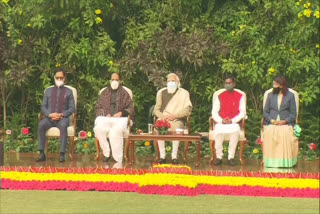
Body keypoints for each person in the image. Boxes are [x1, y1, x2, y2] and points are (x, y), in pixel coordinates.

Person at [94, 73, 134, 163]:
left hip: (120, 119)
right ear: (110, 81)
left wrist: (121, 113)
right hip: (107, 118)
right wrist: (105, 114)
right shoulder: (104, 92)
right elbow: (98, 107)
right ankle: (106, 152)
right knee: (98, 128)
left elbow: (131, 108)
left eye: (116, 80)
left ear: (120, 81)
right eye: (112, 79)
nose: (114, 81)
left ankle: (117, 158)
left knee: (114, 132)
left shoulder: (125, 93)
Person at [37, 69, 75, 162]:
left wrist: (61, 114)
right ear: (54, 78)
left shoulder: (69, 92)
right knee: (41, 125)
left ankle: (62, 154)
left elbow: (72, 108)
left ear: (64, 78)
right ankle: (42, 153)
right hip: (49, 118)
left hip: (62, 118)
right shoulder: (48, 91)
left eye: (60, 78)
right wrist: (50, 114)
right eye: (57, 77)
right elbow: (43, 107)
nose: (58, 79)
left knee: (63, 126)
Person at [153, 73, 192, 164]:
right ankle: (162, 156)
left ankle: (174, 156)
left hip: (177, 119)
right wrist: (163, 117)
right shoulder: (161, 92)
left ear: (178, 82)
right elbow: (156, 110)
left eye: (173, 81)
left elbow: (187, 109)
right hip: (164, 119)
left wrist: (175, 116)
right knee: (158, 127)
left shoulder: (184, 93)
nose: (171, 83)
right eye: (169, 81)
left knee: (177, 128)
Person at [262, 75, 298, 168]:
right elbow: (265, 112)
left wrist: (284, 121)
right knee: (270, 131)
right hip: (272, 122)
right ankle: (271, 162)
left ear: (282, 85)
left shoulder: (290, 96)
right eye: (273, 84)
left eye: (276, 84)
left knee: (284, 132)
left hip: (285, 123)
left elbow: (293, 114)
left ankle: (284, 162)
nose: (274, 86)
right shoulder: (270, 95)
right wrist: (272, 120)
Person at [211, 75, 246, 166]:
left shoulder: (240, 96)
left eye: (229, 83)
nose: (227, 85)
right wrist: (221, 120)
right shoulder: (220, 96)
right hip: (222, 122)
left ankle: (231, 157)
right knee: (218, 131)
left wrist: (232, 120)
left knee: (234, 131)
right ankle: (219, 157)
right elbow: (214, 112)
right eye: (226, 83)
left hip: (234, 122)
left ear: (234, 84)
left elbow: (242, 112)